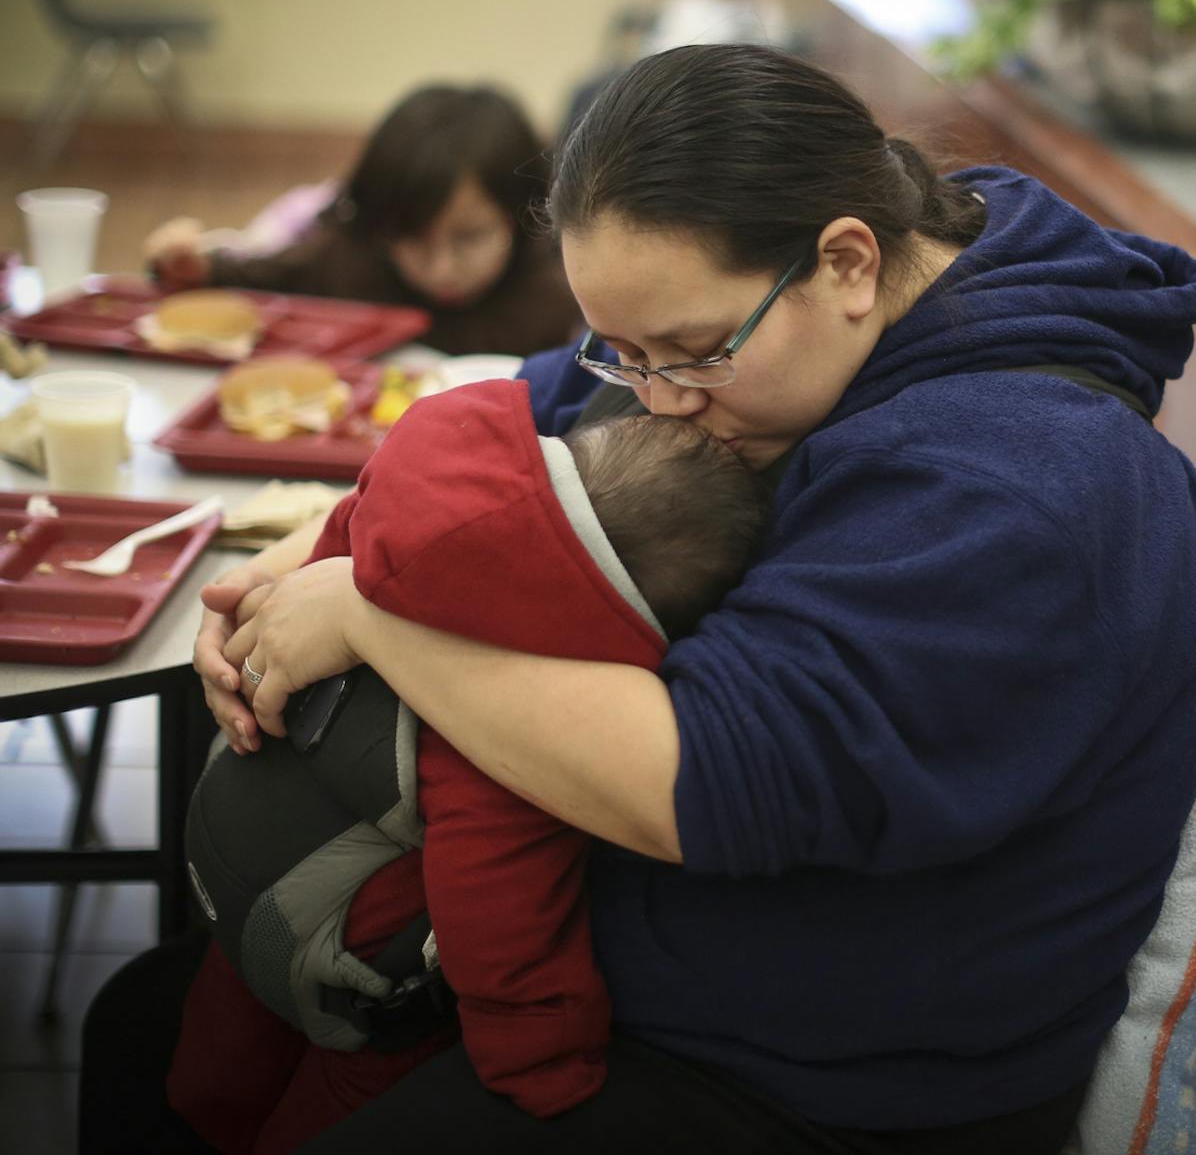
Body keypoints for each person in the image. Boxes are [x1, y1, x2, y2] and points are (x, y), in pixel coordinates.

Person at [83, 42, 1196, 1153]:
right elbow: (543, 404)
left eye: (687, 352)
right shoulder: (802, 324)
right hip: (642, 967)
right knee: (143, 1026)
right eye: (620, 348)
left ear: (851, 263)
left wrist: (373, 605)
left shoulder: (1019, 482)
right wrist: (305, 549)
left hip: (823, 1080)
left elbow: (702, 776)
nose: (657, 399)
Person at [167, 382, 767, 1155]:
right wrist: (542, 1069)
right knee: (334, 1104)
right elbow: (502, 929)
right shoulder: (500, 742)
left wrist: (275, 592)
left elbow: (340, 528)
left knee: (214, 1073)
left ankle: (191, 1119)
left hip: (227, 869)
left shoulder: (404, 508)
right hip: (334, 957)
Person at [139, 85, 581, 356]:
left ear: (526, 212)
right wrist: (191, 266)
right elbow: (252, 278)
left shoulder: (559, 294)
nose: (442, 268)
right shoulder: (347, 254)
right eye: (412, 238)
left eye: (469, 238)